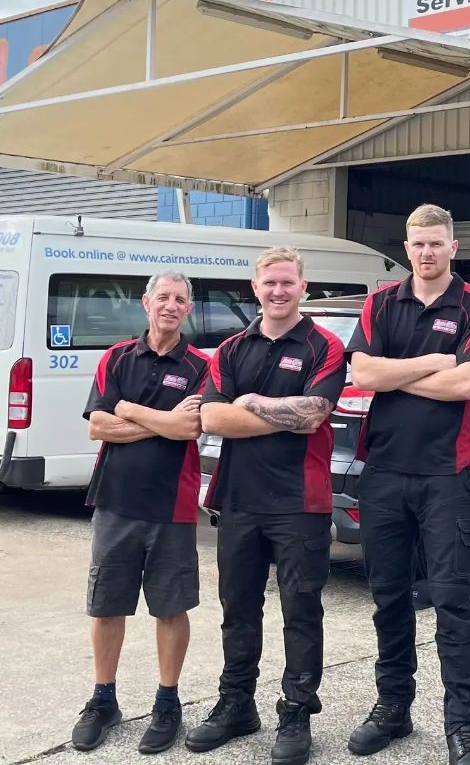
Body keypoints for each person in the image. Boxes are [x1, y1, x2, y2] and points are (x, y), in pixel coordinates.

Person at [346, 204, 470, 765]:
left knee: (453, 602)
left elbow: (467, 386)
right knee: (388, 598)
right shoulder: (381, 302)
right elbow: (362, 374)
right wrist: (434, 359)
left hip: (445, 476)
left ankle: (462, 724)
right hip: (382, 472)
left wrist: (397, 372)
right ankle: (393, 708)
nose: (427, 252)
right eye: (418, 244)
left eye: (437, 243)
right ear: (406, 248)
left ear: (453, 247)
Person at [187, 246, 346, 765]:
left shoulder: (325, 346)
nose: (278, 291)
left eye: (287, 283)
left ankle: (296, 713)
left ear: (304, 287)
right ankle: (237, 705)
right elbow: (210, 419)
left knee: (301, 612)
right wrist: (279, 411)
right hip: (239, 499)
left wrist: (245, 403)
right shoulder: (232, 348)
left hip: (301, 501)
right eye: (269, 283)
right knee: (238, 609)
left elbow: (316, 413)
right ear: (254, 289)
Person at [72, 271, 209, 754]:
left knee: (170, 607)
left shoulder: (200, 366)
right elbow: (97, 427)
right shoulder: (116, 357)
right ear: (146, 303)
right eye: (163, 297)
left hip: (172, 506)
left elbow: (190, 427)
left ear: (188, 309)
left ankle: (167, 702)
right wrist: (162, 422)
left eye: (180, 299)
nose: (170, 306)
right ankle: (103, 698)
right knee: (107, 604)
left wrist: (130, 409)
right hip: (115, 501)